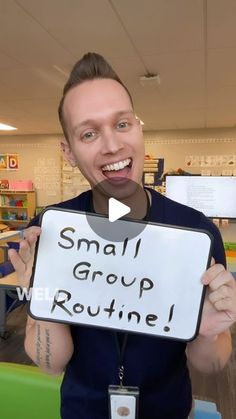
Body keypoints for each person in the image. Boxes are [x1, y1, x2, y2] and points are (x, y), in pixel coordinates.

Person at [9, 52, 236, 419]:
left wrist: (209, 331)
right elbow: (51, 364)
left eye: (122, 124)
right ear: (68, 151)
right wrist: (44, 304)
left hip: (169, 409)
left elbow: (210, 365)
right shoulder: (53, 231)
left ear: (139, 127)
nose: (112, 145)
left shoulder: (197, 233)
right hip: (84, 411)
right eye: (89, 133)